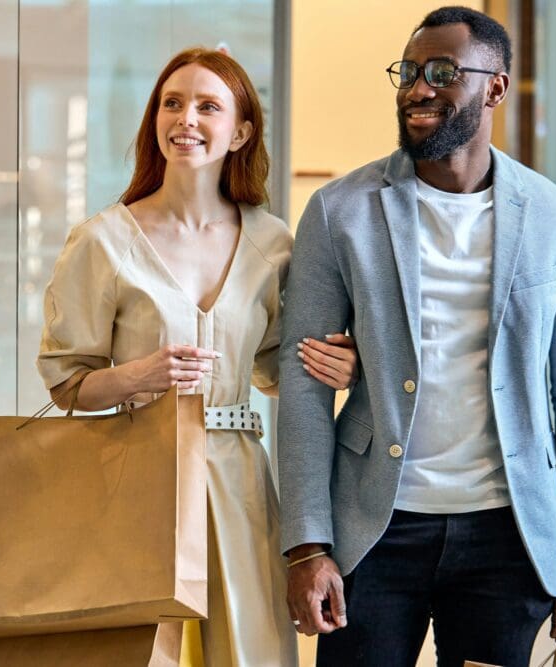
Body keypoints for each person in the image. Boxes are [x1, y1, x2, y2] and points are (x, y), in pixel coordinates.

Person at [278, 7, 556, 666]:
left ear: (494, 86)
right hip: (372, 531)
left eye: (441, 72)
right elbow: (304, 386)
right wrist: (307, 544)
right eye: (407, 72)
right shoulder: (340, 212)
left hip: (506, 534)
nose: (417, 89)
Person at [37, 47, 358, 666]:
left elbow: (271, 369)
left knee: (251, 650)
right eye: (172, 103)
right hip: (136, 479)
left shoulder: (273, 241)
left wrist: (334, 367)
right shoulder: (102, 241)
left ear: (240, 131)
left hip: (241, 483)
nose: (185, 118)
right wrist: (139, 375)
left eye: (208, 106)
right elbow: (66, 383)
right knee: (140, 653)